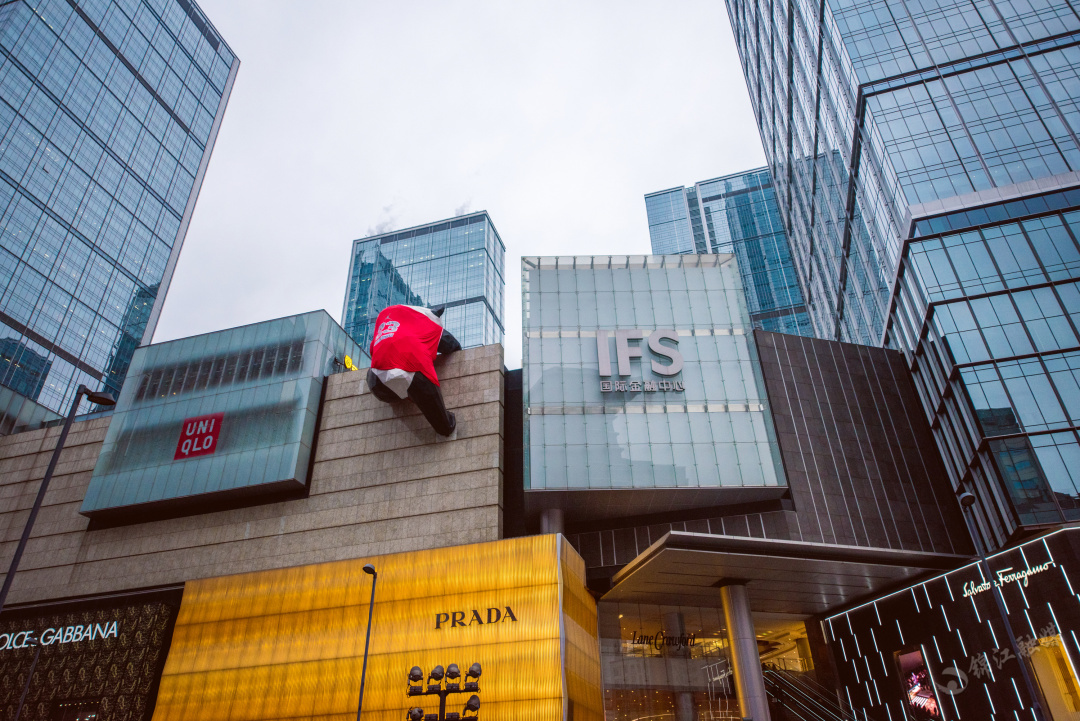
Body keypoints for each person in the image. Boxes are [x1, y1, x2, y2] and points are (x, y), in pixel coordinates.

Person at [366, 304, 461, 436]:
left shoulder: (384, 319)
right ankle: (446, 426)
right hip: (411, 369)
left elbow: (373, 350)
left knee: (396, 381)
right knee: (438, 414)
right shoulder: (426, 321)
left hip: (376, 380)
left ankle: (401, 393)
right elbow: (451, 344)